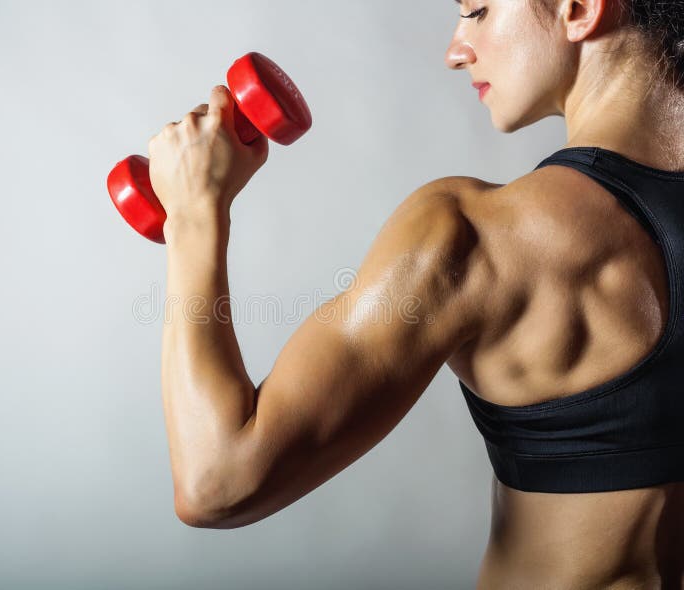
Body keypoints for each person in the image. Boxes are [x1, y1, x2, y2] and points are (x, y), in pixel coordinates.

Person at [147, 0, 684, 587]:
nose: (456, 51)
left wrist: (195, 214)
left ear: (579, 9)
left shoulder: (478, 236)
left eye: (477, 10)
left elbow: (217, 483)